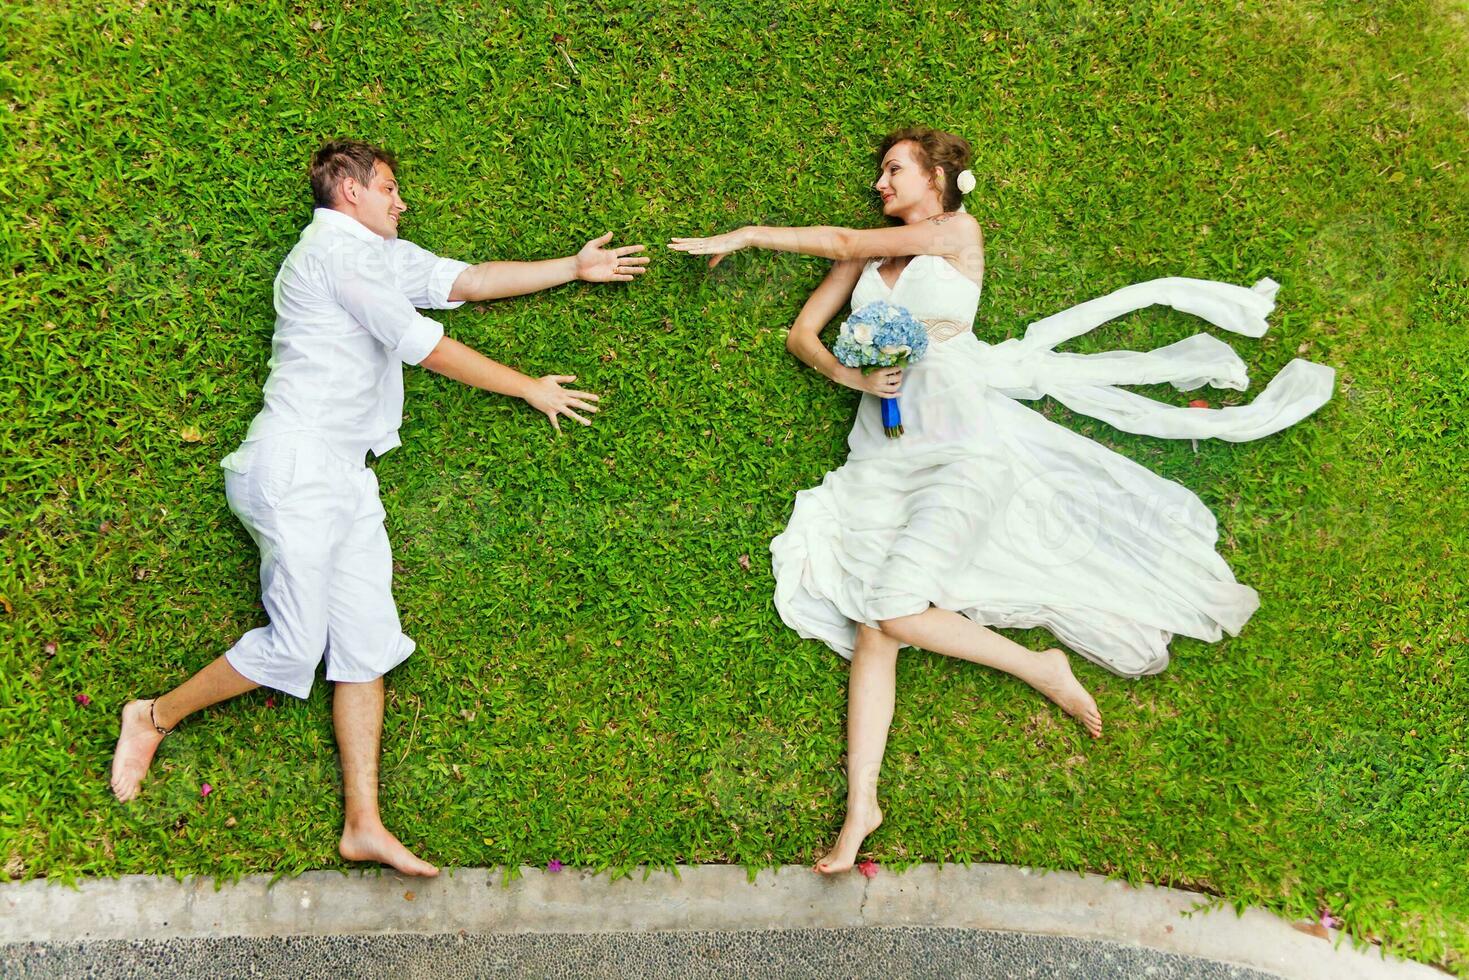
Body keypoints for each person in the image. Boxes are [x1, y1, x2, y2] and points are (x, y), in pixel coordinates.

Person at [670, 126, 1333, 874]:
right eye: (879, 175)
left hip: (959, 443)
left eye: (892, 171)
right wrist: (852, 378)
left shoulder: (957, 231)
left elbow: (832, 237)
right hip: (882, 455)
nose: (879, 185)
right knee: (875, 626)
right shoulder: (870, 256)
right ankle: (861, 808)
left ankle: (1038, 666)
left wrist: (750, 233)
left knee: (891, 609)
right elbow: (802, 335)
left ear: (939, 175)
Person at [109, 140, 648, 877]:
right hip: (294, 466)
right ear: (349, 193)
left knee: (365, 643)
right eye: (389, 188)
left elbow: (467, 281)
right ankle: (151, 715)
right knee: (297, 646)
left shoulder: (378, 255)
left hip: (345, 476)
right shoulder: (335, 254)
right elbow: (421, 344)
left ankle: (363, 823)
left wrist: (572, 267)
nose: (401, 201)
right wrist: (528, 386)